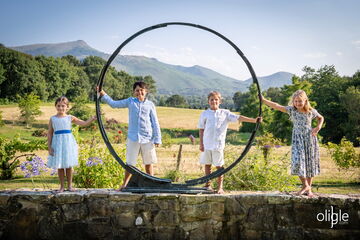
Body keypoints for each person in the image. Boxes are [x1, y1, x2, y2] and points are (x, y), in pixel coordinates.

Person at [97, 82, 161, 190]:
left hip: (147, 138)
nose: (139, 92)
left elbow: (155, 122)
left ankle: (151, 184)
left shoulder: (150, 105)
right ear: (134, 92)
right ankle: (124, 185)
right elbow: (113, 104)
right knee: (130, 163)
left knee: (148, 162)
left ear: (146, 92)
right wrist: (102, 93)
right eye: (137, 90)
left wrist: (157, 138)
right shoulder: (130, 101)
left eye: (141, 90)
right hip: (133, 137)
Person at [262, 90, 324, 197]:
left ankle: (308, 190)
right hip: (297, 140)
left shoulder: (310, 111)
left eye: (300, 101)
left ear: (305, 101)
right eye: (295, 101)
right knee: (298, 161)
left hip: (309, 139)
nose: (297, 103)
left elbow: (321, 118)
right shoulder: (292, 110)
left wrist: (318, 127)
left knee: (309, 164)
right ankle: (305, 185)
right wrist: (263, 100)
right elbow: (276, 106)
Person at [198, 91, 262, 194]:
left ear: (220, 101)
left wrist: (254, 120)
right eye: (211, 100)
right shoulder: (204, 114)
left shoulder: (225, 113)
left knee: (219, 166)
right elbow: (201, 129)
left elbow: (238, 118)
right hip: (207, 144)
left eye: (216, 100)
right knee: (207, 165)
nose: (214, 101)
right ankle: (207, 185)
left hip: (218, 145)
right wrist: (201, 144)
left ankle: (220, 187)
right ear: (208, 101)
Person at [47, 96, 96, 192]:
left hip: (68, 142)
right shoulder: (53, 119)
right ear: (55, 106)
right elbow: (50, 133)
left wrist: (92, 119)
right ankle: (61, 187)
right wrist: (49, 147)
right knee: (60, 165)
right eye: (58, 106)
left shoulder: (70, 118)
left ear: (67, 107)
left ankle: (69, 186)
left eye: (63, 106)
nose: (60, 108)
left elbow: (83, 123)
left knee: (69, 165)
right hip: (57, 142)